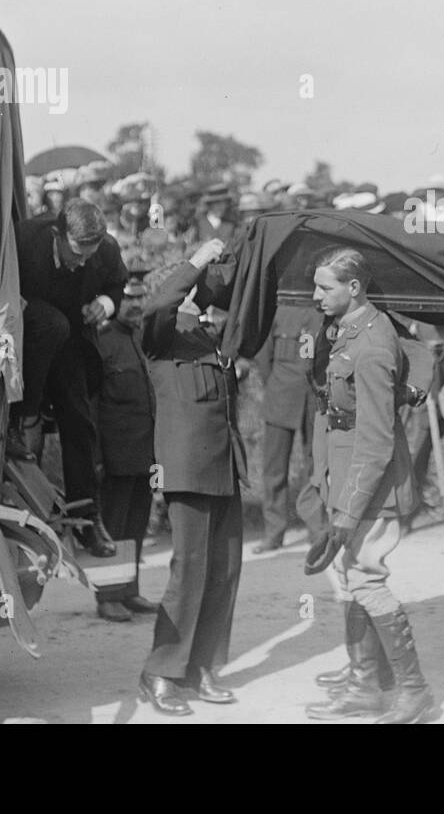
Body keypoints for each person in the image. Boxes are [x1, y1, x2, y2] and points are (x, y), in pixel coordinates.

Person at [304, 247, 436, 725]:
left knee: (366, 578)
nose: (316, 296)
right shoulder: (344, 331)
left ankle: (414, 690)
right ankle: (366, 684)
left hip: (370, 482)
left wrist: (347, 511)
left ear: (354, 288)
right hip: (346, 471)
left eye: (325, 287)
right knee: (350, 578)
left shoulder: (374, 343)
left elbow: (378, 440)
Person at [138, 239, 247, 716]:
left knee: (223, 570)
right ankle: (161, 671)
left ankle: (201, 666)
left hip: (223, 466)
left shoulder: (207, 335)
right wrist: (197, 259)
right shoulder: (159, 334)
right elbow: (160, 301)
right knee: (190, 569)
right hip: (186, 470)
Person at [12, 198, 128, 557]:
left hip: (71, 344)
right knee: (22, 433)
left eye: (90, 254)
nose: (82, 262)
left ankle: (86, 520)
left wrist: (105, 305)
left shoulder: (104, 249)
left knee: (79, 423)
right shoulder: (23, 240)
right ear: (57, 233)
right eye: (78, 251)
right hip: (27, 342)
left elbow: (115, 286)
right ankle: (23, 521)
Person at [93, 272, 160, 621]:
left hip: (143, 452)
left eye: (140, 297)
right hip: (115, 453)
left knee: (136, 523)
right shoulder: (102, 342)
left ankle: (129, 591)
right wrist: (96, 458)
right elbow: (90, 406)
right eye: (129, 298)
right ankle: (107, 596)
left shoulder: (139, 339)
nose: (135, 304)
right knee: (113, 526)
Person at [250, 303, 329, 553]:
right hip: (281, 395)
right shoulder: (277, 310)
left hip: (315, 397)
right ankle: (274, 531)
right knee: (274, 467)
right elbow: (264, 358)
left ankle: (316, 528)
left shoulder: (326, 312)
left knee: (315, 464)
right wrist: (274, 385)